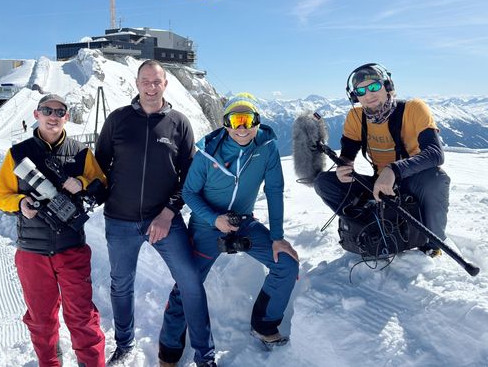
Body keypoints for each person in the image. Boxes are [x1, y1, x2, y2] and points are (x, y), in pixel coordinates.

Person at [158, 92, 300, 364]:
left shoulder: (266, 147)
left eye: (248, 120)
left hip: (243, 222)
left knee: (286, 265)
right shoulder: (207, 154)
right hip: (205, 225)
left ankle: (265, 324)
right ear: (226, 124)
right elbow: (189, 193)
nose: (242, 127)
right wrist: (214, 219)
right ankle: (169, 349)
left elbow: (274, 190)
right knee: (188, 285)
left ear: (257, 122)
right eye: (236, 120)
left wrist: (278, 238)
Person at [94, 60, 216, 367]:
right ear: (136, 84)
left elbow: (190, 176)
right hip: (120, 220)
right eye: (145, 81)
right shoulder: (118, 120)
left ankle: (206, 356)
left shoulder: (178, 122)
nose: (151, 87)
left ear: (165, 84)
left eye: (157, 82)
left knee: (190, 282)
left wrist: (169, 211)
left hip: (164, 221)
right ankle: (124, 344)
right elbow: (99, 166)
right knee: (121, 283)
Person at [0, 93, 107, 367]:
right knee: (41, 318)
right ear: (37, 115)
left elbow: (101, 183)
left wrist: (81, 182)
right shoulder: (17, 154)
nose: (53, 116)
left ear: (67, 117)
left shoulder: (81, 152)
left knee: (82, 316)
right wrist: (20, 203)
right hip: (32, 252)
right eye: (47, 111)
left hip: (71, 248)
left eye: (59, 112)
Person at [313, 63, 451, 255]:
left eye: (374, 86)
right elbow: (348, 154)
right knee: (324, 182)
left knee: (436, 179)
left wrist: (394, 170)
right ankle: (370, 229)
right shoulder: (356, 117)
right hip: (378, 185)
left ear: (387, 86)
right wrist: (344, 167)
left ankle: (431, 243)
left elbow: (435, 153)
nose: (368, 95)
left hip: (412, 181)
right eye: (361, 90)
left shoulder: (414, 109)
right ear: (355, 97)